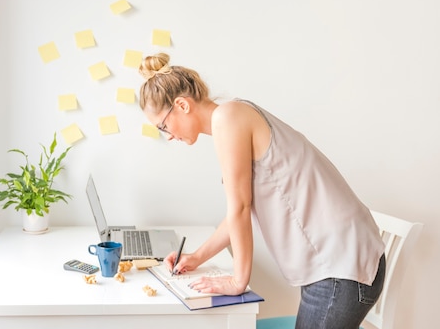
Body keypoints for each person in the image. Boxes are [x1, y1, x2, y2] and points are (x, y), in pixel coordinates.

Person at [138, 53, 386, 329]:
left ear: (182, 105)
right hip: (337, 264)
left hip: (342, 268)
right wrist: (197, 257)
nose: (168, 135)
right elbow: (238, 210)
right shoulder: (232, 116)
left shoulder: (228, 118)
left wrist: (238, 281)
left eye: (163, 126)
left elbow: (240, 207)